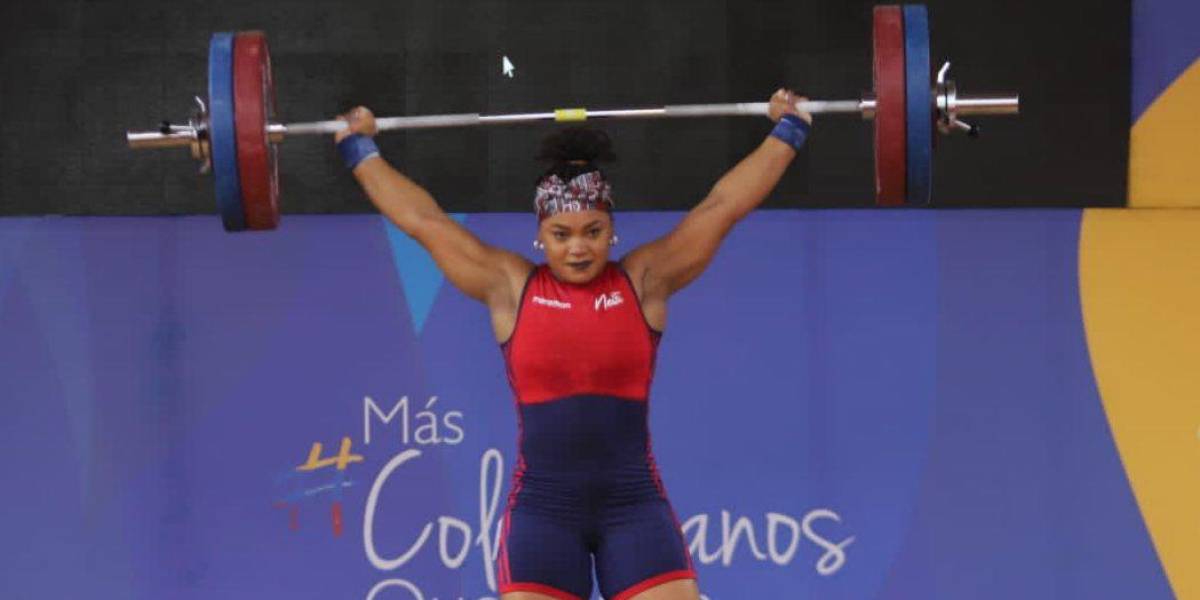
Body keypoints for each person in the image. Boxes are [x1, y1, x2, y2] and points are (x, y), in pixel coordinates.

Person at [334, 89, 812, 600]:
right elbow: (425, 223)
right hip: (544, 511)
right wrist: (359, 149)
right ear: (541, 235)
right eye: (561, 234)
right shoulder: (510, 287)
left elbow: (722, 208)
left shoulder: (645, 281)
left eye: (593, 231)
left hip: (633, 506)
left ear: (612, 232)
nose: (578, 247)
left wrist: (789, 130)